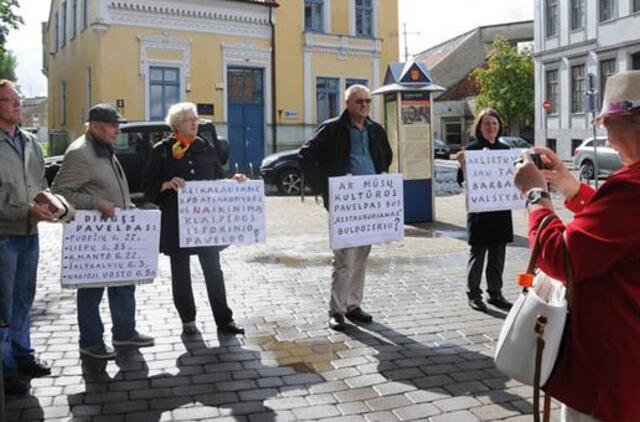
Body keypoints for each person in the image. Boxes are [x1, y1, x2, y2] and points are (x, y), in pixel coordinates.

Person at [514, 70, 640, 421]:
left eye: (608, 125)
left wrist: (535, 195)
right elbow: (621, 231)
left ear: (631, 123)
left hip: (612, 369)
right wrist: (572, 188)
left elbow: (560, 257)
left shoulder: (631, 186)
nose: (607, 136)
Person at [52, 103, 154, 360]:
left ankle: (124, 332)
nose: (118, 130)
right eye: (112, 125)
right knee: (91, 289)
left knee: (123, 283)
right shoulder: (80, 152)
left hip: (116, 232)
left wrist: (128, 208)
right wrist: (96, 204)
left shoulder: (104, 147)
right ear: (95, 126)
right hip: (95, 236)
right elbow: (60, 192)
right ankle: (90, 341)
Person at [142, 102, 245, 337]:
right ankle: (187, 321)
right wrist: (166, 184)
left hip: (205, 224)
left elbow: (217, 179)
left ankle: (224, 319)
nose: (195, 124)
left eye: (196, 119)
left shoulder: (205, 147)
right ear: (177, 125)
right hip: (176, 221)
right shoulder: (162, 150)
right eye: (191, 120)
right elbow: (147, 186)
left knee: (213, 270)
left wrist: (234, 181)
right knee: (180, 272)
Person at [299, 84, 393, 331]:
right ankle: (337, 310)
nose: (364, 106)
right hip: (345, 202)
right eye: (359, 101)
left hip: (369, 202)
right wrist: (323, 187)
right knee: (343, 258)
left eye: (367, 101)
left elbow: (386, 155)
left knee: (361, 256)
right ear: (348, 104)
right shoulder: (332, 128)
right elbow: (306, 156)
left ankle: (353, 305)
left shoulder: (375, 130)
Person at [0, 80, 53, 395]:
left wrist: (52, 204)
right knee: (3, 309)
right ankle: (6, 368)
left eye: (18, 99)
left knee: (23, 301)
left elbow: (39, 181)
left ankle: (23, 356)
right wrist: (26, 209)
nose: (18, 104)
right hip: (4, 235)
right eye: (10, 100)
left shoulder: (31, 141)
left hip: (30, 234)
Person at [456, 108, 513, 312]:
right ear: (479, 127)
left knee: (498, 254)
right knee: (478, 253)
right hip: (480, 212)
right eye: (487, 124)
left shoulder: (506, 150)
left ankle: (495, 294)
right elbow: (460, 181)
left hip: (501, 211)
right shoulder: (470, 151)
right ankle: (474, 294)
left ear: (499, 127)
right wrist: (463, 165)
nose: (491, 127)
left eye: (494, 123)